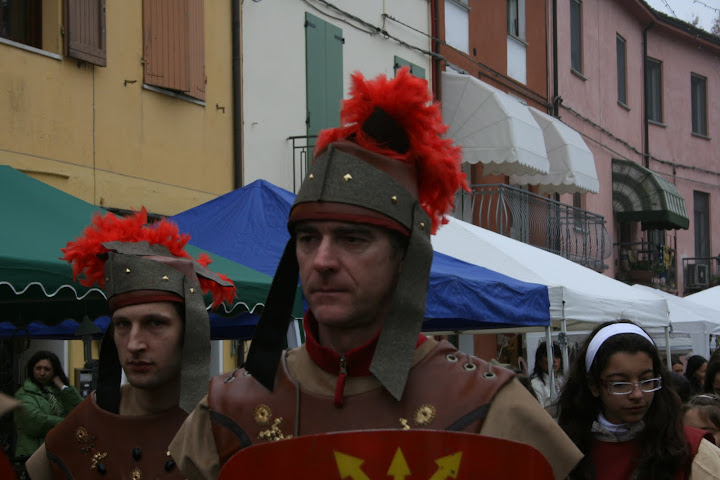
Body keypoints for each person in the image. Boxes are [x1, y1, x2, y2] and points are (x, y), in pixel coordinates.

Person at [170, 68, 582, 480]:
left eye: (352, 239)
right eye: (309, 238)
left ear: (403, 256)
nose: (322, 260)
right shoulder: (226, 413)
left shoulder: (487, 407)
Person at [25, 209, 235, 480]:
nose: (134, 344)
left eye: (155, 323)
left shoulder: (226, 424)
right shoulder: (87, 420)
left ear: (190, 333)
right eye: (123, 324)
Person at [557, 320, 720, 479]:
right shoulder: (564, 450)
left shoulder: (692, 449)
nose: (637, 394)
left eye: (647, 381)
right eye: (620, 384)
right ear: (593, 385)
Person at [13, 351, 81, 470]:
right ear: (32, 370)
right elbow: (36, 421)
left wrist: (62, 386)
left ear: (55, 371)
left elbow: (80, 411)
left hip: (60, 456)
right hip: (33, 456)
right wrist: (68, 424)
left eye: (47, 369)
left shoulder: (60, 393)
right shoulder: (23, 394)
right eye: (38, 368)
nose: (42, 373)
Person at [530, 341, 563, 407]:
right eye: (549, 357)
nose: (554, 360)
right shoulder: (535, 385)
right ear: (539, 361)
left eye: (557, 356)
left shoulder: (563, 381)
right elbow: (538, 411)